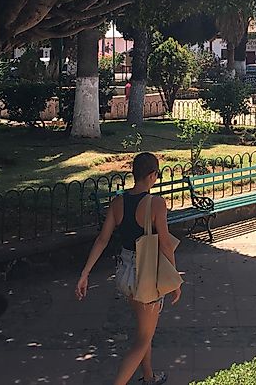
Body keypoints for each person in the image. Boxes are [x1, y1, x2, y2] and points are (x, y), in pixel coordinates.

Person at [75, 153, 180, 385]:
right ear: (153, 175)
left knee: (144, 329)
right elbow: (164, 243)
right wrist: (174, 279)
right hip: (146, 275)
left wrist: (85, 273)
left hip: (124, 274)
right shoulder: (156, 204)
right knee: (143, 338)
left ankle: (149, 377)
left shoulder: (118, 203)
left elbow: (102, 239)